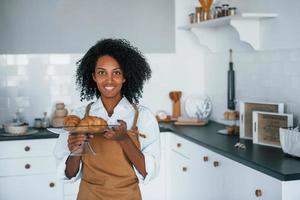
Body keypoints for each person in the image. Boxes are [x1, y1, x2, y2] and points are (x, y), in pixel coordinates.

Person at [53, 38, 160, 200]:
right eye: (102, 72)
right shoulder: (79, 116)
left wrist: (124, 139)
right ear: (94, 77)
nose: (109, 80)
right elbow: (68, 174)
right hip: (89, 195)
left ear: (125, 77)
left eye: (116, 73)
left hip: (127, 196)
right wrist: (76, 150)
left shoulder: (143, 117)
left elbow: (148, 172)